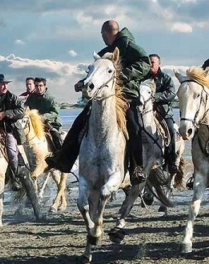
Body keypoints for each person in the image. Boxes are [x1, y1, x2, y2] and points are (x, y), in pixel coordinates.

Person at [45, 20, 151, 183]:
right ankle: (64, 159)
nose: (102, 37)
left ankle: (136, 168)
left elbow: (145, 63)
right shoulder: (103, 53)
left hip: (126, 96)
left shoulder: (129, 46)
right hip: (103, 96)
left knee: (134, 126)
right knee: (80, 121)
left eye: (103, 35)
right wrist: (83, 82)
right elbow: (95, 74)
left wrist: (123, 75)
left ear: (108, 33)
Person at [148, 54, 178, 174]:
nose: (150, 64)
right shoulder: (142, 78)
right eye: (148, 62)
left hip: (163, 112)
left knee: (171, 131)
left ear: (159, 64)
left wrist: (154, 97)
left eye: (152, 62)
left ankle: (171, 162)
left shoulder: (166, 78)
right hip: (145, 110)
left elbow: (171, 93)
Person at [25, 77, 63, 150]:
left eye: (40, 85)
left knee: (55, 135)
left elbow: (55, 113)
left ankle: (60, 155)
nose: (38, 88)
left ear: (45, 86)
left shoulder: (51, 99)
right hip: (35, 123)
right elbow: (26, 108)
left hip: (51, 123)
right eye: (36, 86)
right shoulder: (30, 98)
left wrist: (42, 117)